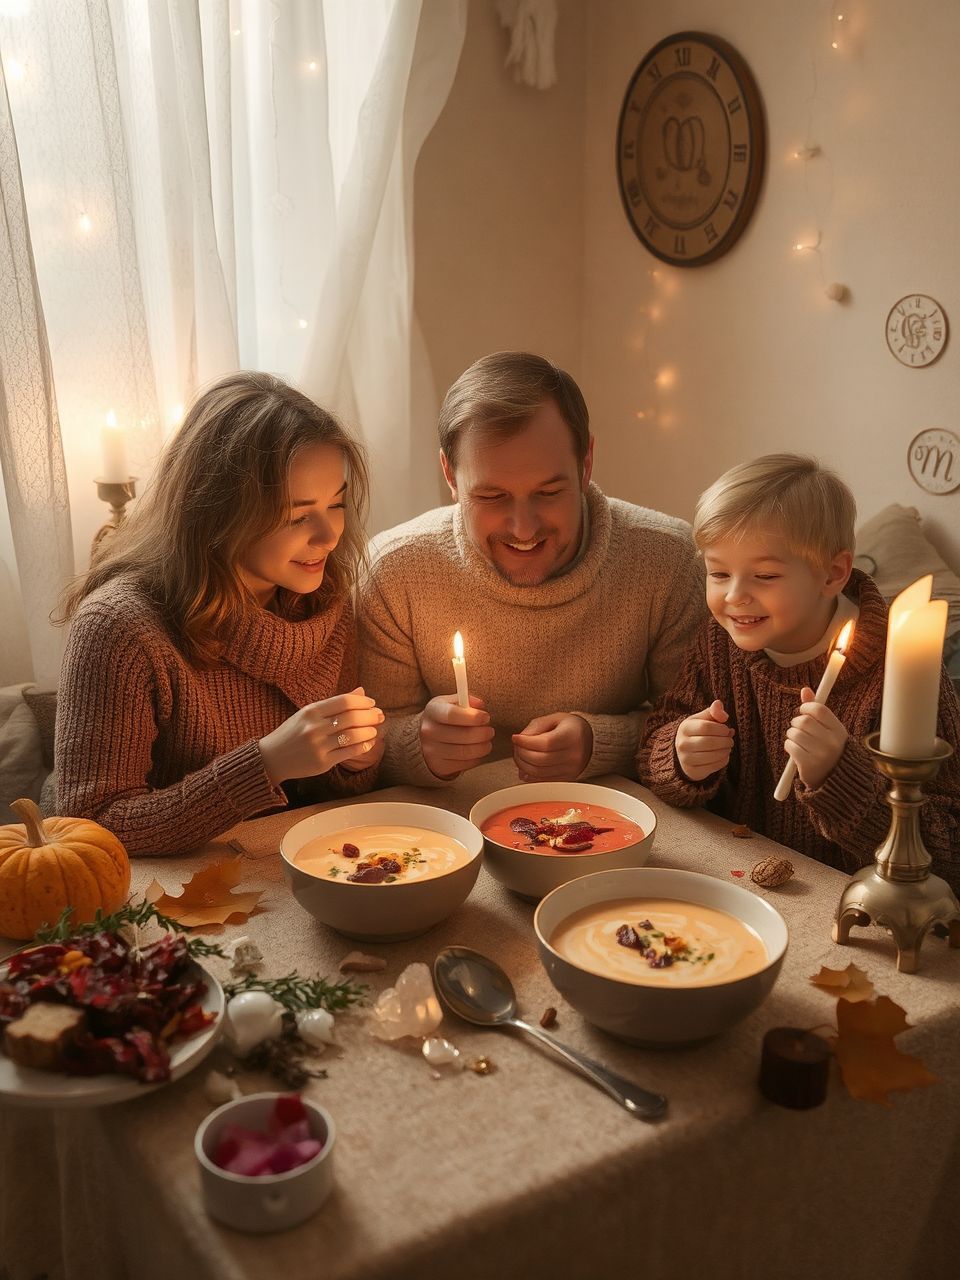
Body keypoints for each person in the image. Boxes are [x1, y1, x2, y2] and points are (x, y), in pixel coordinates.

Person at [55, 371, 384, 856]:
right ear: (219, 512)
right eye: (297, 516)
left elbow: (327, 797)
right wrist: (265, 764)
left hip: (283, 869)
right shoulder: (119, 627)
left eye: (335, 504)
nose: (328, 535)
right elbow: (91, 826)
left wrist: (357, 761)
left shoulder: (322, 601)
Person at [358, 351, 704, 786]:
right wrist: (417, 744)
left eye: (548, 492)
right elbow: (370, 743)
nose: (524, 528)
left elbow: (695, 727)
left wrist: (600, 743)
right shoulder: (395, 570)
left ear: (586, 462)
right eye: (492, 497)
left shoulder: (666, 560)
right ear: (449, 473)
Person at [637, 453, 960, 889]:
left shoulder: (905, 667)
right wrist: (679, 755)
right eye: (718, 572)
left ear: (833, 573)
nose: (734, 597)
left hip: (848, 906)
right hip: (735, 879)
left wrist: (839, 776)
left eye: (765, 576)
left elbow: (948, 852)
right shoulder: (719, 642)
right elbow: (655, 741)